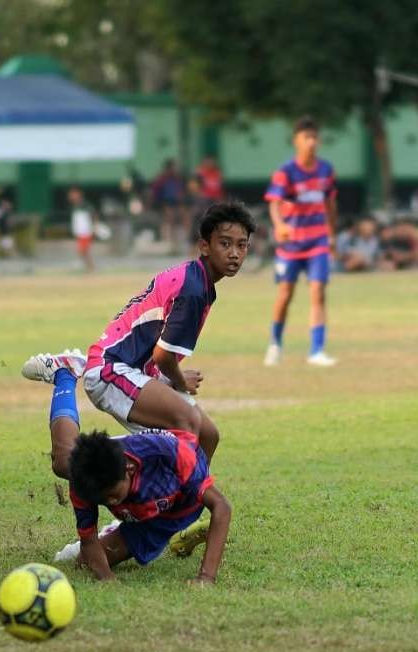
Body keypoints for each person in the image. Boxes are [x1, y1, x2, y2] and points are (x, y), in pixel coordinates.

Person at [22, 202, 256, 463]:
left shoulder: (197, 280)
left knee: (207, 436)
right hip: (110, 369)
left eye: (242, 245)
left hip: (136, 369)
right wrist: (178, 381)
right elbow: (163, 355)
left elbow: (151, 347)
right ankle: (65, 375)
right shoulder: (193, 290)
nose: (234, 253)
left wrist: (167, 380)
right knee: (70, 462)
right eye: (225, 244)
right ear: (204, 246)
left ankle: (187, 499)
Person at [24, 365, 232, 583]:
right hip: (139, 500)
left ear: (129, 469)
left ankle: (164, 381)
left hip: (176, 510)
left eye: (113, 495)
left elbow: (222, 507)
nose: (110, 502)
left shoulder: (175, 459)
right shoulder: (86, 485)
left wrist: (206, 578)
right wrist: (107, 579)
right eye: (103, 500)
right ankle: (65, 373)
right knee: (63, 464)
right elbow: (89, 541)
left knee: (207, 433)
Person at [264, 116, 339, 368]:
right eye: (307, 137)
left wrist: (332, 234)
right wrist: (280, 225)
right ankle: (275, 343)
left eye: (315, 137)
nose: (312, 142)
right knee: (286, 294)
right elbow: (274, 203)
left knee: (318, 292)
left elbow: (330, 205)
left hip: (317, 241)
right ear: (297, 141)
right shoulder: (286, 172)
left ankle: (317, 350)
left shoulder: (325, 170)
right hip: (292, 244)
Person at [149, 159, 187, 251]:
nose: (175, 169)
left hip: (176, 202)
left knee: (184, 215)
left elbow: (181, 191)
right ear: (169, 168)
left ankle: (183, 239)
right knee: (169, 218)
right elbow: (155, 192)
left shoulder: (177, 179)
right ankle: (168, 240)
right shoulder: (161, 179)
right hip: (165, 202)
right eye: (174, 167)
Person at [68, 186, 96, 273]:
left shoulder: (84, 205)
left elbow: (93, 215)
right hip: (80, 232)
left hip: (86, 231)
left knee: (83, 251)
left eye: (73, 194)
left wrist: (94, 226)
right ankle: (89, 268)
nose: (71, 196)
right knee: (83, 251)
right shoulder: (75, 206)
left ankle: (90, 268)